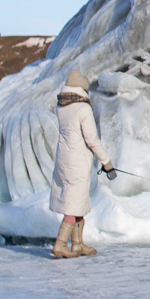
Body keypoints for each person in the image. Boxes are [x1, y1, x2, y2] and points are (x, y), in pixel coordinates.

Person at [49, 69, 113, 259]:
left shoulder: (62, 106)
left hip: (64, 159)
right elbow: (92, 140)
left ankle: (77, 244)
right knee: (74, 205)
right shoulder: (82, 108)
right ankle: (61, 244)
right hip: (77, 161)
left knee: (77, 202)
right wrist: (107, 162)